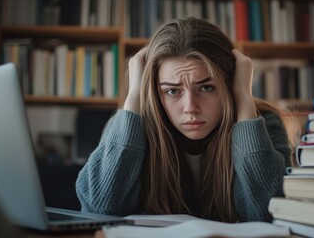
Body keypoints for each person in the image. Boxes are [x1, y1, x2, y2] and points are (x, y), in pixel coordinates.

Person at [76, 17, 299, 223]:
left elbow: (270, 216)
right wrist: (135, 96)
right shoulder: (129, 126)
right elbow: (97, 211)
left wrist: (243, 96)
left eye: (206, 87)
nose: (191, 108)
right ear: (154, 92)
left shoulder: (263, 125)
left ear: (229, 84)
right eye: (172, 91)